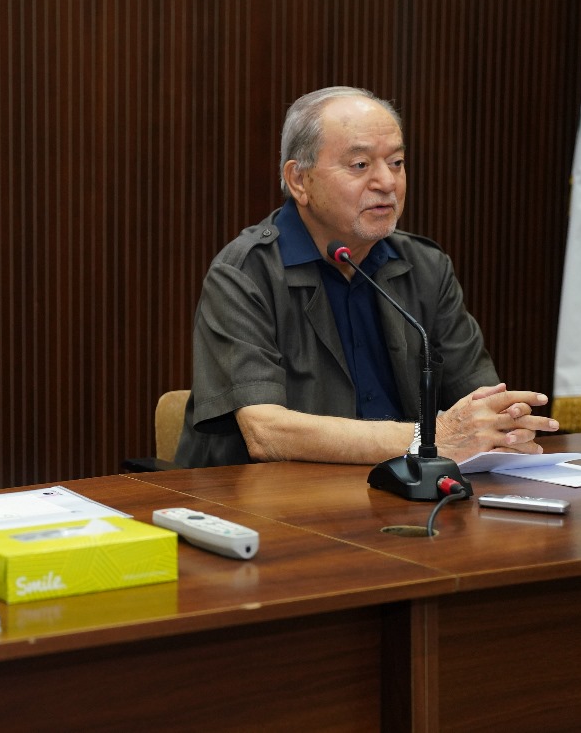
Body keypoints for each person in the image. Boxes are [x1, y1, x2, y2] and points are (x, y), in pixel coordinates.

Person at [175, 86, 558, 467]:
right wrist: (430, 438)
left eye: (396, 162)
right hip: (268, 496)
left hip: (399, 490)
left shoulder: (425, 266)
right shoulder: (244, 273)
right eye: (360, 165)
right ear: (299, 180)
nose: (387, 182)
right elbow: (266, 432)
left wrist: (502, 426)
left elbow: (481, 402)